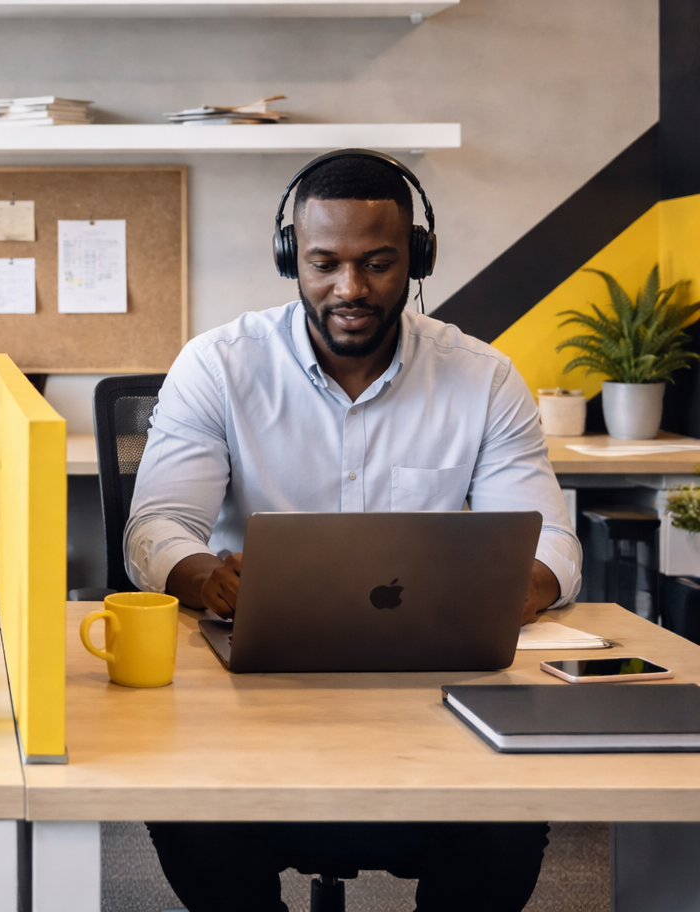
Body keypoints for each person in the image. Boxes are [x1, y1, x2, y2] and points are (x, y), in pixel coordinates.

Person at [125, 151, 581, 912]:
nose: (351, 289)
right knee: (190, 812)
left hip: (433, 691)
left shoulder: (484, 377)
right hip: (254, 691)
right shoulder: (220, 365)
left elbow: (555, 551)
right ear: (289, 259)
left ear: (418, 258)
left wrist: (502, 587)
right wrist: (203, 574)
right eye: (324, 263)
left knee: (508, 822)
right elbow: (157, 528)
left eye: (377, 263)